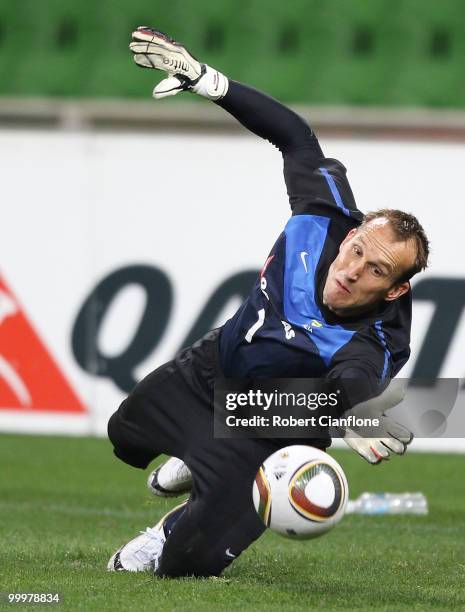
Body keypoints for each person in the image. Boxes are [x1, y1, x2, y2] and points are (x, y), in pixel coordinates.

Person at [107, 27, 429, 578]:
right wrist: (210, 82)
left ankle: (171, 527)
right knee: (124, 437)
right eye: (356, 251)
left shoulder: (379, 338)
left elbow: (354, 380)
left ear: (396, 288)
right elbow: (295, 136)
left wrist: (358, 412)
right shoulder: (324, 213)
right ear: (350, 233)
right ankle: (196, 454)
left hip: (272, 422)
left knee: (188, 565)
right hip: (210, 368)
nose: (351, 271)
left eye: (376, 269)